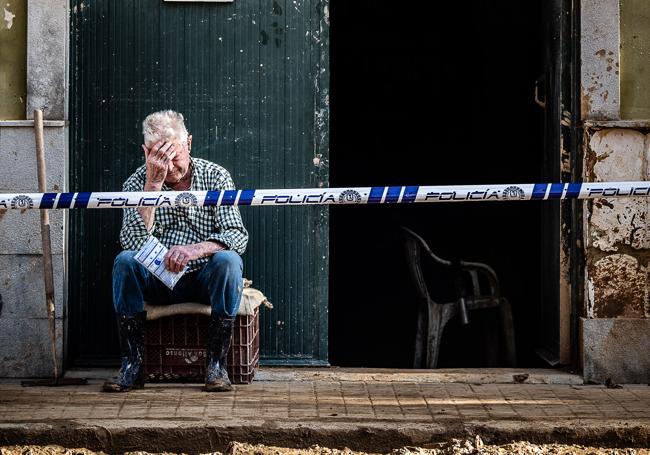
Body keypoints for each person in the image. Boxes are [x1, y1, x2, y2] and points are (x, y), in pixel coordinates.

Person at [103, 110, 248, 393]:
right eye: (160, 156)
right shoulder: (136, 183)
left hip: (203, 277)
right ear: (146, 151)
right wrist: (153, 187)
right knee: (124, 262)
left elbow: (236, 236)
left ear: (189, 143)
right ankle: (132, 366)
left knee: (229, 260)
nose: (169, 166)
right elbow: (131, 241)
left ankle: (216, 366)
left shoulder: (216, 176)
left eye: (175, 155)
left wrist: (194, 250)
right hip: (158, 279)